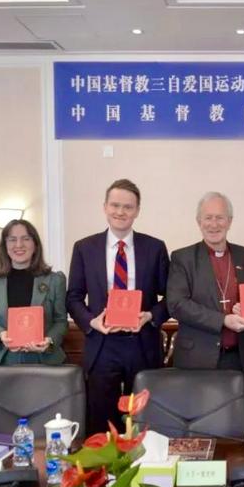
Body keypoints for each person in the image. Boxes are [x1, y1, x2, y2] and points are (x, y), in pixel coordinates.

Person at [67, 179, 170, 433]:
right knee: (102, 426)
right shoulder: (84, 248)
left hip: (142, 343)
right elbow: (73, 297)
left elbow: (171, 297)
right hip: (102, 345)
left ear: (137, 210)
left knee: (147, 423)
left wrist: (149, 315)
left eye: (128, 207)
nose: (120, 212)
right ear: (104, 207)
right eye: (115, 205)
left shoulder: (155, 248)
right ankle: (102, 473)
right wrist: (92, 322)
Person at [167, 192, 244, 399]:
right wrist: (224, 319)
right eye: (208, 218)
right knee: (197, 422)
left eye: (220, 217)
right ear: (199, 221)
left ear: (229, 221)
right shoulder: (182, 258)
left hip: (239, 357)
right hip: (196, 358)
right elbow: (177, 304)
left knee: (237, 422)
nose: (214, 224)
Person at [0, 219, 67, 367]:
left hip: (43, 361)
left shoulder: (55, 280)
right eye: (12, 240)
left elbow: (61, 322)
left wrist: (49, 340)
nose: (19, 245)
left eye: (26, 239)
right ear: (5, 245)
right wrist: (0, 335)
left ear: (35, 244)